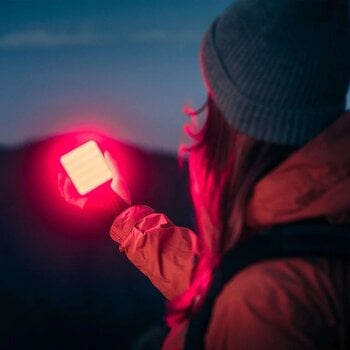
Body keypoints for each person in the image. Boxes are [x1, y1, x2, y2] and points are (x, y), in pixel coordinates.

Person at [61, 0, 350, 348]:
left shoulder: (265, 303)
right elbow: (222, 282)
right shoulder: (311, 224)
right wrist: (122, 215)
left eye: (214, 99)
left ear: (243, 125)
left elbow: (246, 293)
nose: (200, 121)